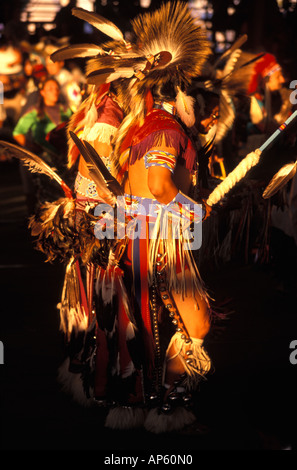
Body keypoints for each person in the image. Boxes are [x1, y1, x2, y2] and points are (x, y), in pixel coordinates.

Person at [13, 77, 72, 211]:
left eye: (56, 88)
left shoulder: (66, 110)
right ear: (43, 92)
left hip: (63, 159)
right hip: (43, 160)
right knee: (45, 197)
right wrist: (31, 147)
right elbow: (18, 132)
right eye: (50, 89)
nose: (54, 91)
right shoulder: (34, 111)